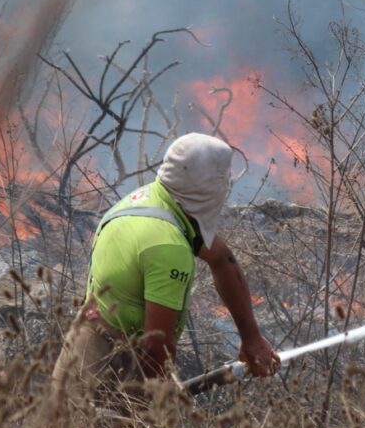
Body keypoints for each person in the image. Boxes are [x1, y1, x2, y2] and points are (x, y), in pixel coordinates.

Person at [52, 133, 280, 403]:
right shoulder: (169, 246)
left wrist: (251, 338)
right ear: (208, 187)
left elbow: (223, 260)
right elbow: (156, 346)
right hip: (109, 369)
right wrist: (159, 402)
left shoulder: (151, 202)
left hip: (81, 350)